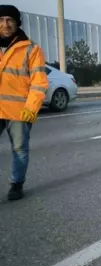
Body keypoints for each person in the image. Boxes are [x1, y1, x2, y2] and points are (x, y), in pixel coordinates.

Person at [0, 5, 48, 201]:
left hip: (19, 111)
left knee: (19, 150)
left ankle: (16, 184)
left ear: (17, 22)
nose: (5, 24)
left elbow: (39, 82)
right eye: (1, 20)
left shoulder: (31, 49)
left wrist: (31, 107)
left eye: (10, 20)